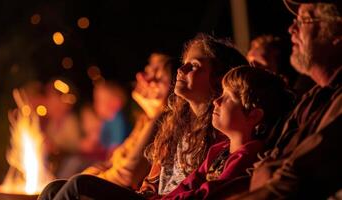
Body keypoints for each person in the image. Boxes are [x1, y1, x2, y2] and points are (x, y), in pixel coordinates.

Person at [38, 33, 248, 200]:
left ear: (220, 78)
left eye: (193, 66)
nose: (181, 70)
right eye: (183, 63)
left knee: (79, 185)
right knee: (54, 188)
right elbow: (153, 177)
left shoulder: (221, 128)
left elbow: (129, 172)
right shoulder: (176, 123)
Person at [225, 0, 342, 199]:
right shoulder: (313, 98)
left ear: (337, 33)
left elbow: (295, 181)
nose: (291, 28)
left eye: (305, 20)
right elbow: (266, 165)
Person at [161, 66, 295, 199]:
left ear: (253, 115)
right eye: (221, 94)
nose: (216, 101)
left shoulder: (248, 156)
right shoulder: (219, 149)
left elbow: (208, 194)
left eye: (228, 97)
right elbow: (188, 184)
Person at [82, 52, 174, 189]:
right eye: (148, 71)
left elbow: (126, 175)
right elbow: (113, 162)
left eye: (157, 75)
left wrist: (85, 181)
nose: (141, 77)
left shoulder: (161, 122)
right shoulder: (145, 119)